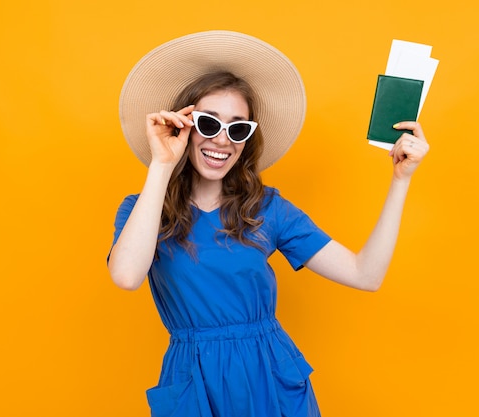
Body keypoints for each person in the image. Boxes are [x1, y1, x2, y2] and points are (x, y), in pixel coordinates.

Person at [108, 31, 429, 417]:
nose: (222, 140)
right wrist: (162, 163)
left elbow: (366, 274)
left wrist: (401, 180)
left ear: (247, 139)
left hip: (270, 375)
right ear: (184, 125)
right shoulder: (142, 209)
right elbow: (126, 276)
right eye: (209, 124)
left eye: (238, 128)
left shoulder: (267, 208)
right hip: (194, 380)